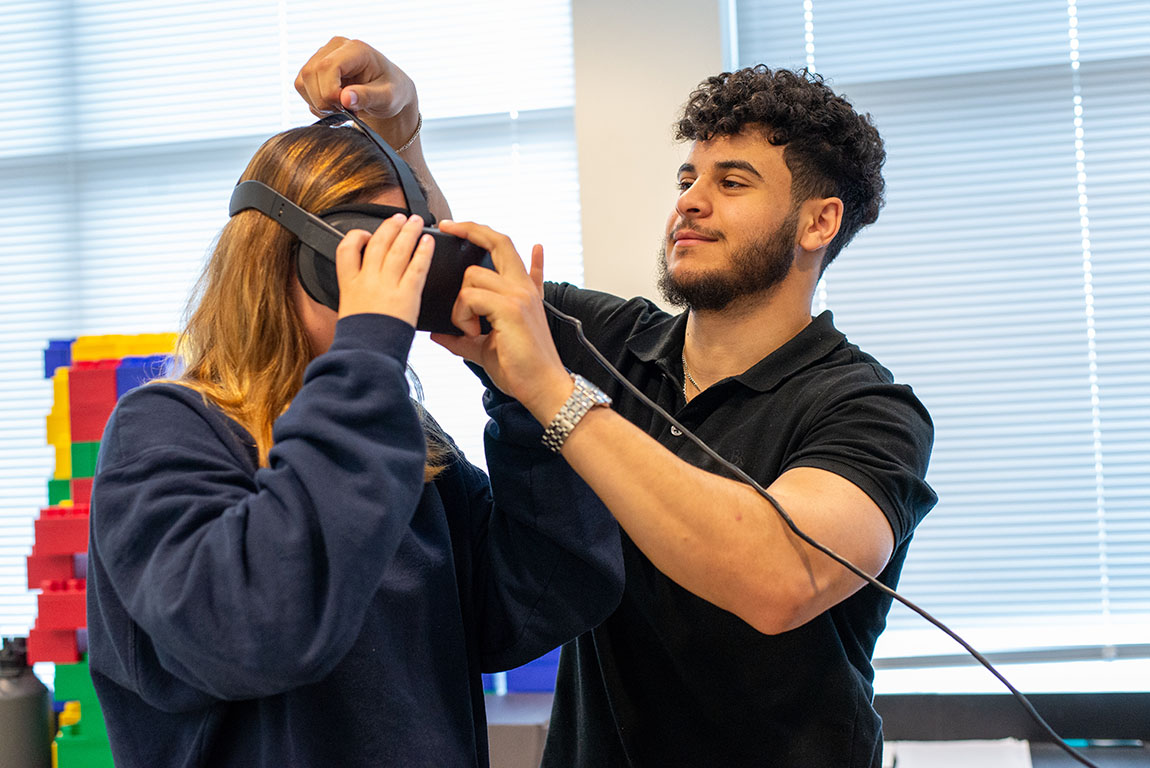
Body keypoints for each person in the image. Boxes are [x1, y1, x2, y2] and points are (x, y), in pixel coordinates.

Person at [297, 38, 937, 767]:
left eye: (732, 182)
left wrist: (553, 392)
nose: (689, 200)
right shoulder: (604, 341)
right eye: (688, 177)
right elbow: (449, 279)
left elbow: (782, 579)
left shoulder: (870, 410)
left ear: (818, 223)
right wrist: (401, 130)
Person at [85, 116, 623, 768]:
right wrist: (368, 355)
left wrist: (526, 395)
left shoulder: (404, 441)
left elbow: (541, 598)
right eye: (375, 257)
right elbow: (255, 630)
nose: (398, 289)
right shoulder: (165, 430)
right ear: (300, 259)